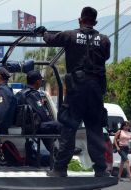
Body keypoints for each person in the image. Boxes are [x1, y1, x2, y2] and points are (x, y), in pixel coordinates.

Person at [34, 6, 111, 177]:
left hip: (77, 89)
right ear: (95, 22)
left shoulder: (70, 35)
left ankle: (60, 169)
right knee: (95, 129)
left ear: (80, 19)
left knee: (68, 128)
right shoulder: (105, 40)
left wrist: (43, 32)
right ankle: (101, 170)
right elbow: (105, 57)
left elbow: (50, 39)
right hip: (96, 90)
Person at [15, 70, 61, 152]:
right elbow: (42, 113)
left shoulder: (20, 93)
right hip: (33, 127)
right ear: (37, 81)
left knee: (46, 128)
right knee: (60, 125)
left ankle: (54, 151)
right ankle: (66, 149)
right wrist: (50, 122)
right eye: (40, 81)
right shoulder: (33, 94)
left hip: (26, 127)